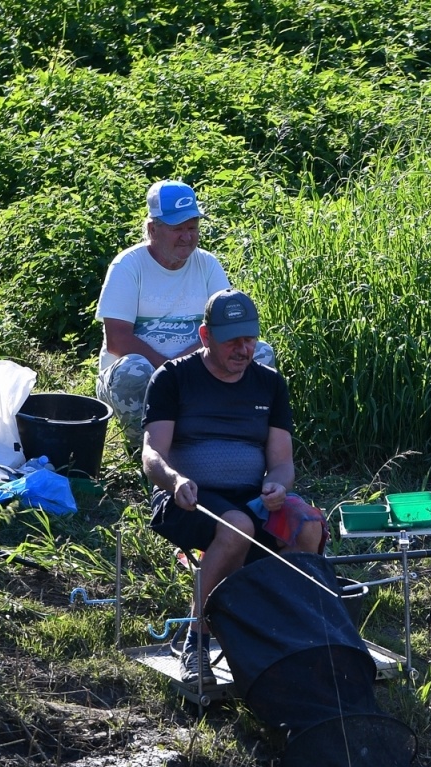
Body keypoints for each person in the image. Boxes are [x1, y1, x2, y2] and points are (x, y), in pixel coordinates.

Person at [142, 288, 327, 683]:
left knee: (308, 525)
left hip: (251, 498)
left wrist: (277, 486)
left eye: (250, 339)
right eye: (232, 341)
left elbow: (282, 464)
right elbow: (152, 454)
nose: (244, 350)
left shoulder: (269, 384)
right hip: (185, 498)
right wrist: (174, 480)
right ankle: (196, 640)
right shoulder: (173, 378)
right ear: (205, 336)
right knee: (237, 526)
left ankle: (274, 630)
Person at [95, 180, 273, 447]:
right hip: (144, 374)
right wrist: (170, 372)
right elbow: (117, 340)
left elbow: (228, 326)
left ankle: (239, 437)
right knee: (132, 369)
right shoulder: (128, 266)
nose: (187, 237)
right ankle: (145, 448)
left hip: (198, 369)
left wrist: (189, 371)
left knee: (259, 352)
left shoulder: (207, 265)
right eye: (177, 228)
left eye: (192, 228)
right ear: (152, 229)